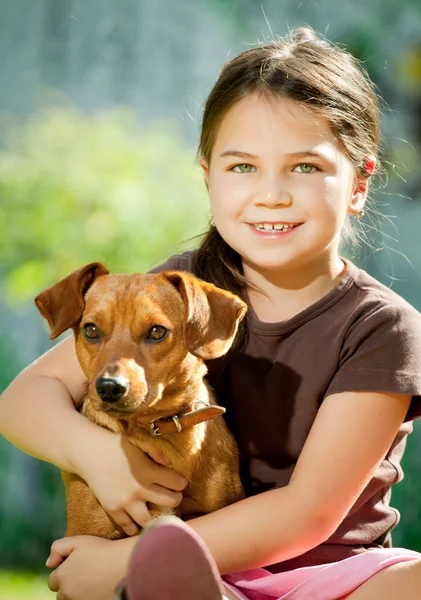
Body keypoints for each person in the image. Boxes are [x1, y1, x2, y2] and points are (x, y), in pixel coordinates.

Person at [1, 26, 421, 600]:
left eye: (305, 167)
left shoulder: (383, 327)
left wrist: (126, 558)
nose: (271, 194)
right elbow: (21, 401)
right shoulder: (179, 287)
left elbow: (307, 512)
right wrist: (98, 456)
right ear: (208, 178)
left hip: (330, 575)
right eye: (242, 167)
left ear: (359, 183)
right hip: (192, 566)